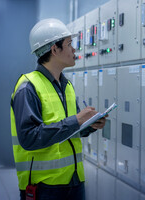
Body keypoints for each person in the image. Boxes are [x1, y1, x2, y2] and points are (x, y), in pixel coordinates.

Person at [10, 18, 106, 200]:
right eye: (69, 44)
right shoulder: (28, 87)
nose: (74, 49)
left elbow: (70, 130)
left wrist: (90, 124)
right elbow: (29, 138)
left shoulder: (66, 85)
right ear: (55, 49)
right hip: (44, 186)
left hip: (74, 180)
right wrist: (77, 120)